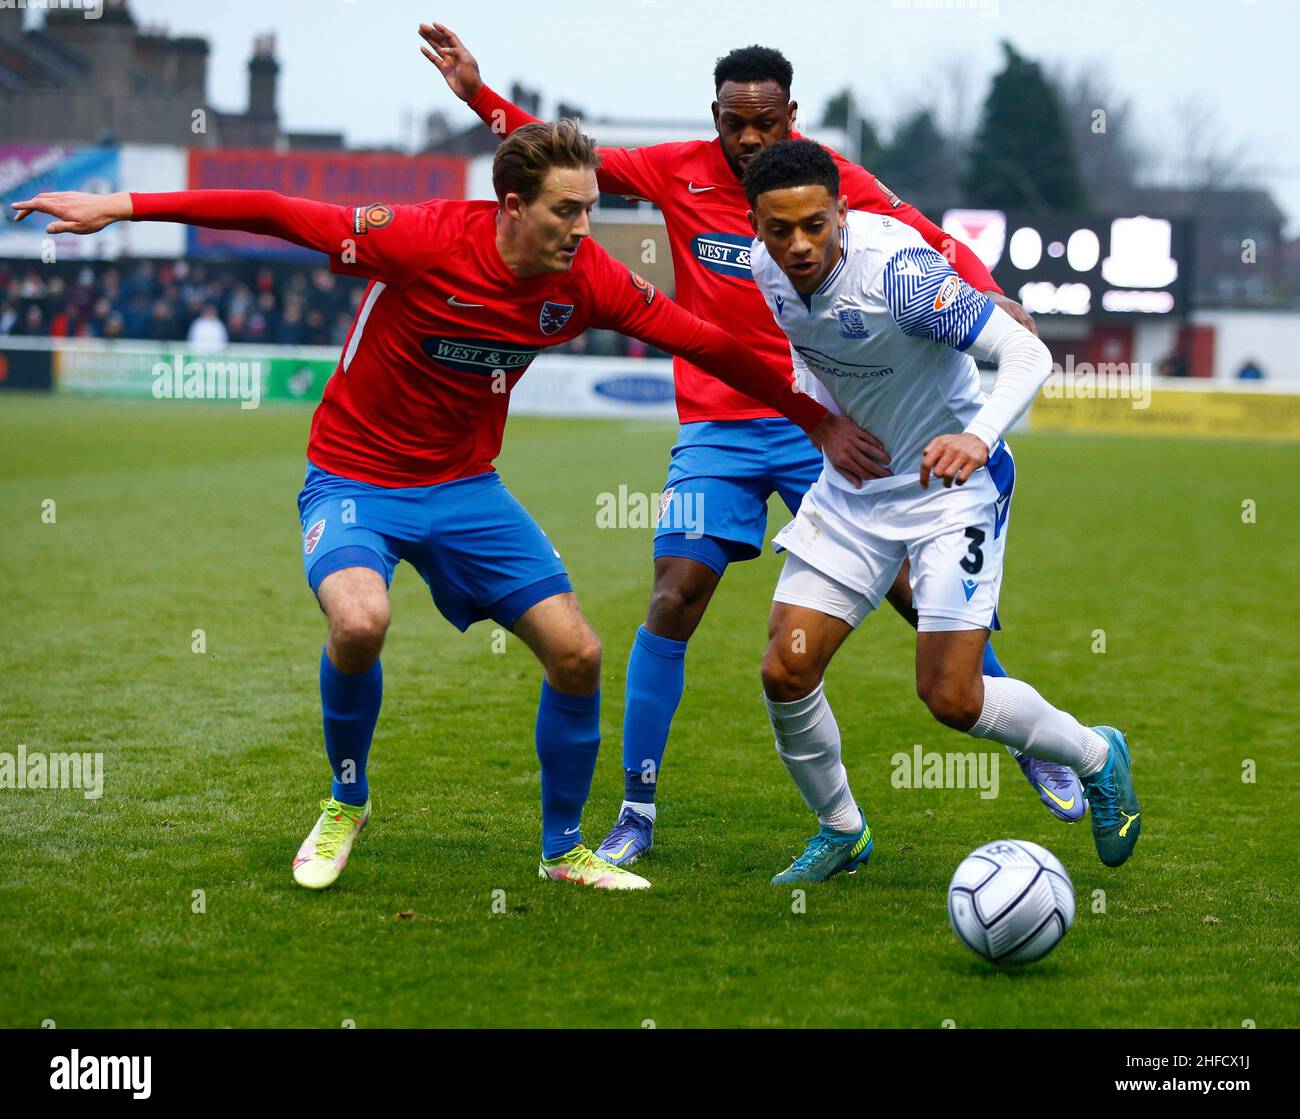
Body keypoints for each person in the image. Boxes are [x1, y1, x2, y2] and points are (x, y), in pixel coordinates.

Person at [13, 120, 881, 893]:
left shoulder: (587, 282)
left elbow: (705, 342)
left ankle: (562, 848)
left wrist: (815, 416)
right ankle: (347, 799)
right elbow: (275, 209)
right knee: (359, 622)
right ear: (510, 206)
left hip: (466, 489)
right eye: (567, 212)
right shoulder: (420, 237)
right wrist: (121, 206)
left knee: (578, 654)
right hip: (354, 478)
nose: (586, 230)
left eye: (590, 209)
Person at [422, 24, 1081, 867]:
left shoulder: (821, 182)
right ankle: (638, 807)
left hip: (831, 426)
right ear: (716, 117)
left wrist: (997, 299)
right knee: (673, 597)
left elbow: (929, 236)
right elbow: (564, 157)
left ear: (791, 118)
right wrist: (478, 94)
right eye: (736, 124)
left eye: (765, 124)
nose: (749, 141)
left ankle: (1026, 737)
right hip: (717, 429)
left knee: (919, 595)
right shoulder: (674, 169)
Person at [742, 140, 1141, 881]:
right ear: (757, 224)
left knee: (951, 698)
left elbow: (1028, 354)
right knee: (784, 670)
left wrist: (975, 437)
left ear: (842, 212)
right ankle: (842, 830)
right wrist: (822, 422)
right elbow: (809, 350)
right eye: (779, 229)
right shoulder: (763, 267)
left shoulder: (902, 278)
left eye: (815, 225)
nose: (798, 244)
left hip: (952, 490)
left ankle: (1095, 752)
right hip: (856, 491)